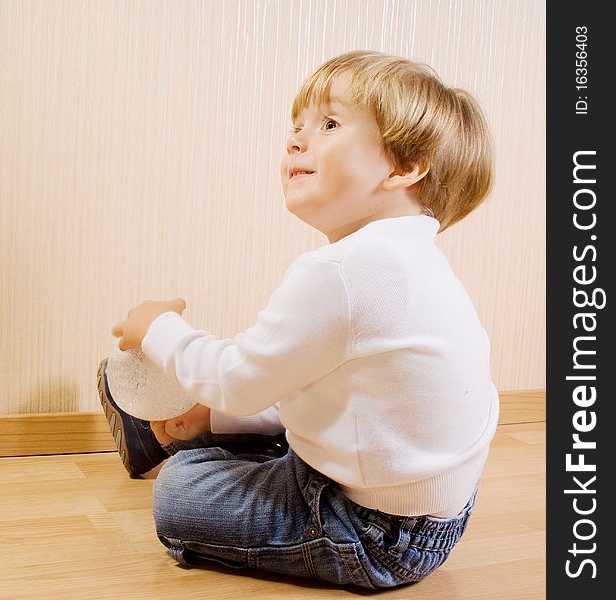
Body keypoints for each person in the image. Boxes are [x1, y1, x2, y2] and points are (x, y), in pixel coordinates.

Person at [97, 50, 499, 589]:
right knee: (270, 405)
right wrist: (215, 416)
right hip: (437, 513)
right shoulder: (411, 262)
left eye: (329, 124)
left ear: (404, 166)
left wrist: (157, 330)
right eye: (297, 126)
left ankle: (174, 444)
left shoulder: (346, 271)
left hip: (374, 531)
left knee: (180, 492)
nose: (295, 140)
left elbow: (237, 377)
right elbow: (340, 400)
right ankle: (186, 429)